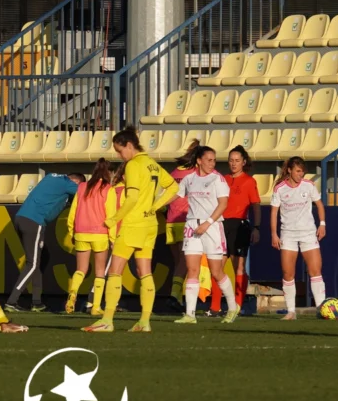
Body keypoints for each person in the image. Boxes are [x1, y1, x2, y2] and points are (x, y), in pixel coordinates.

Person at [83, 127, 178, 333]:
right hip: (150, 224)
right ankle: (144, 322)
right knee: (144, 272)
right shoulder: (152, 164)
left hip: (133, 223)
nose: (119, 155)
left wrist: (113, 219)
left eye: (119, 150)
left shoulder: (133, 165)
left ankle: (106, 320)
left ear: (129, 145)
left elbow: (132, 198)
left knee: (115, 271)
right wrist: (156, 206)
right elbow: (173, 187)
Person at [172, 144, 240, 324]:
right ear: (199, 161)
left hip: (212, 227)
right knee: (192, 269)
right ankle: (190, 314)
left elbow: (223, 204)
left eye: (214, 160)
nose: (212, 163)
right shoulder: (189, 179)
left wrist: (208, 223)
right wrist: (153, 203)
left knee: (216, 271)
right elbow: (175, 195)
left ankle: (232, 307)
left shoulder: (218, 179)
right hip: (192, 226)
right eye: (209, 160)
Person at [5, 172, 85, 313]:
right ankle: (12, 301)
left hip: (21, 217)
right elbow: (86, 194)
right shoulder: (68, 184)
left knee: (39, 259)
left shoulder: (51, 177)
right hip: (35, 221)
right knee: (33, 263)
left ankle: (37, 302)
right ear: (76, 182)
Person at [270, 157, 326, 321]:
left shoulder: (309, 186)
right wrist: (274, 234)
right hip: (288, 234)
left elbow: (320, 205)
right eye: (298, 171)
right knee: (288, 273)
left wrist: (322, 224)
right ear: (289, 170)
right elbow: (274, 212)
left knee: (315, 271)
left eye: (302, 171)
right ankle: (291, 311)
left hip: (308, 233)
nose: (301, 174)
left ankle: (321, 308)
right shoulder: (279, 189)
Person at [65, 159, 113, 315]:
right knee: (100, 272)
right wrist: (112, 238)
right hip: (100, 233)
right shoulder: (108, 189)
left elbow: (73, 212)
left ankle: (73, 293)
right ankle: (96, 307)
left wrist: (72, 231)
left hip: (81, 232)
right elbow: (111, 215)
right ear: (109, 173)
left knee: (81, 269)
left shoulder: (82, 187)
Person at [222, 145, 261, 312]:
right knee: (218, 266)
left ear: (244, 162)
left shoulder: (249, 181)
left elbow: (256, 206)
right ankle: (215, 306)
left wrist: (256, 227)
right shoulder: (222, 179)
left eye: (237, 160)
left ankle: (238, 304)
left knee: (239, 266)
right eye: (231, 160)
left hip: (240, 225)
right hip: (222, 224)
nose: (233, 163)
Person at [164, 142, 199, 310]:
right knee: (185, 263)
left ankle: (177, 299)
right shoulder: (195, 174)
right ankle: (174, 295)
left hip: (170, 221)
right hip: (186, 220)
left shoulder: (173, 173)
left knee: (179, 262)